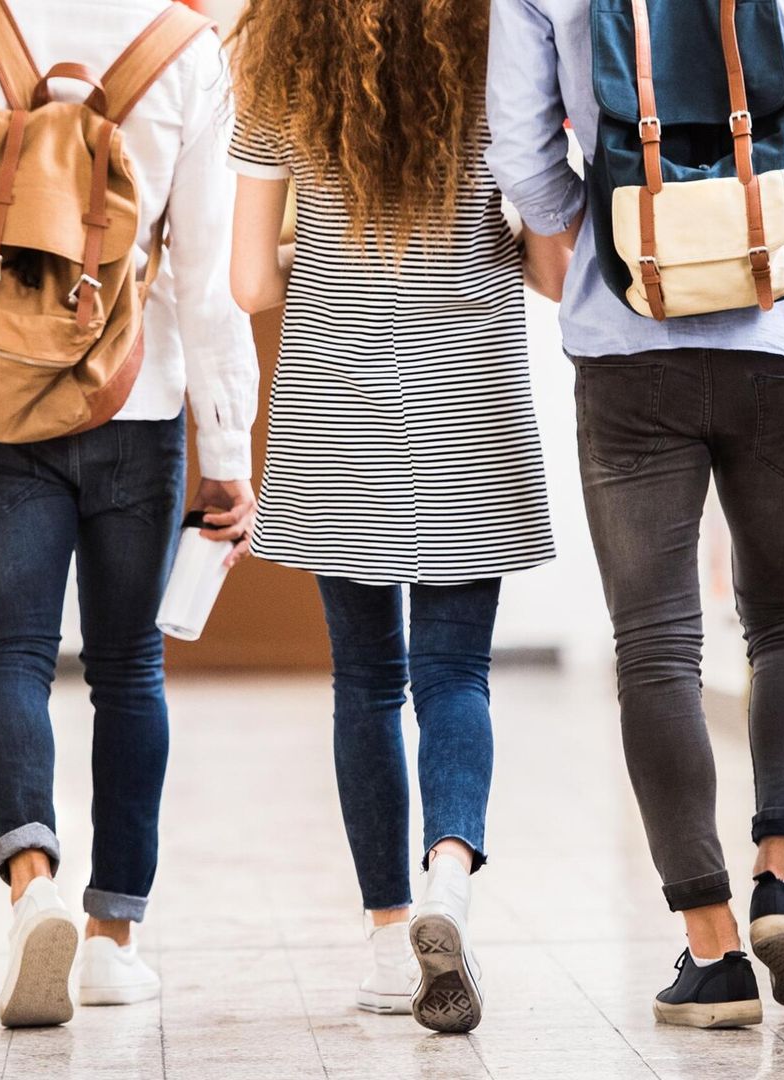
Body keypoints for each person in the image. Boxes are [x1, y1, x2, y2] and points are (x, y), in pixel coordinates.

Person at [488, 0, 784, 1028]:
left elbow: (521, 150)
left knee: (657, 648)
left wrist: (602, 229)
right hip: (779, 328)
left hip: (629, 338)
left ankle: (712, 950)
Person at [0, 0, 258, 1028]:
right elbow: (208, 280)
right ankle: (110, 942)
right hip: (136, 399)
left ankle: (30, 883)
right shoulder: (184, 48)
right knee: (129, 670)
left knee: (11, 656)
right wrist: (226, 450)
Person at [227, 0, 554, 1036]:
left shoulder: (284, 59)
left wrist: (327, 270)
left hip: (335, 398)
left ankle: (385, 936)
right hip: (471, 388)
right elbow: (548, 266)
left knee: (365, 683)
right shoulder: (501, 43)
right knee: (455, 673)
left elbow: (245, 277)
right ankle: (449, 878)